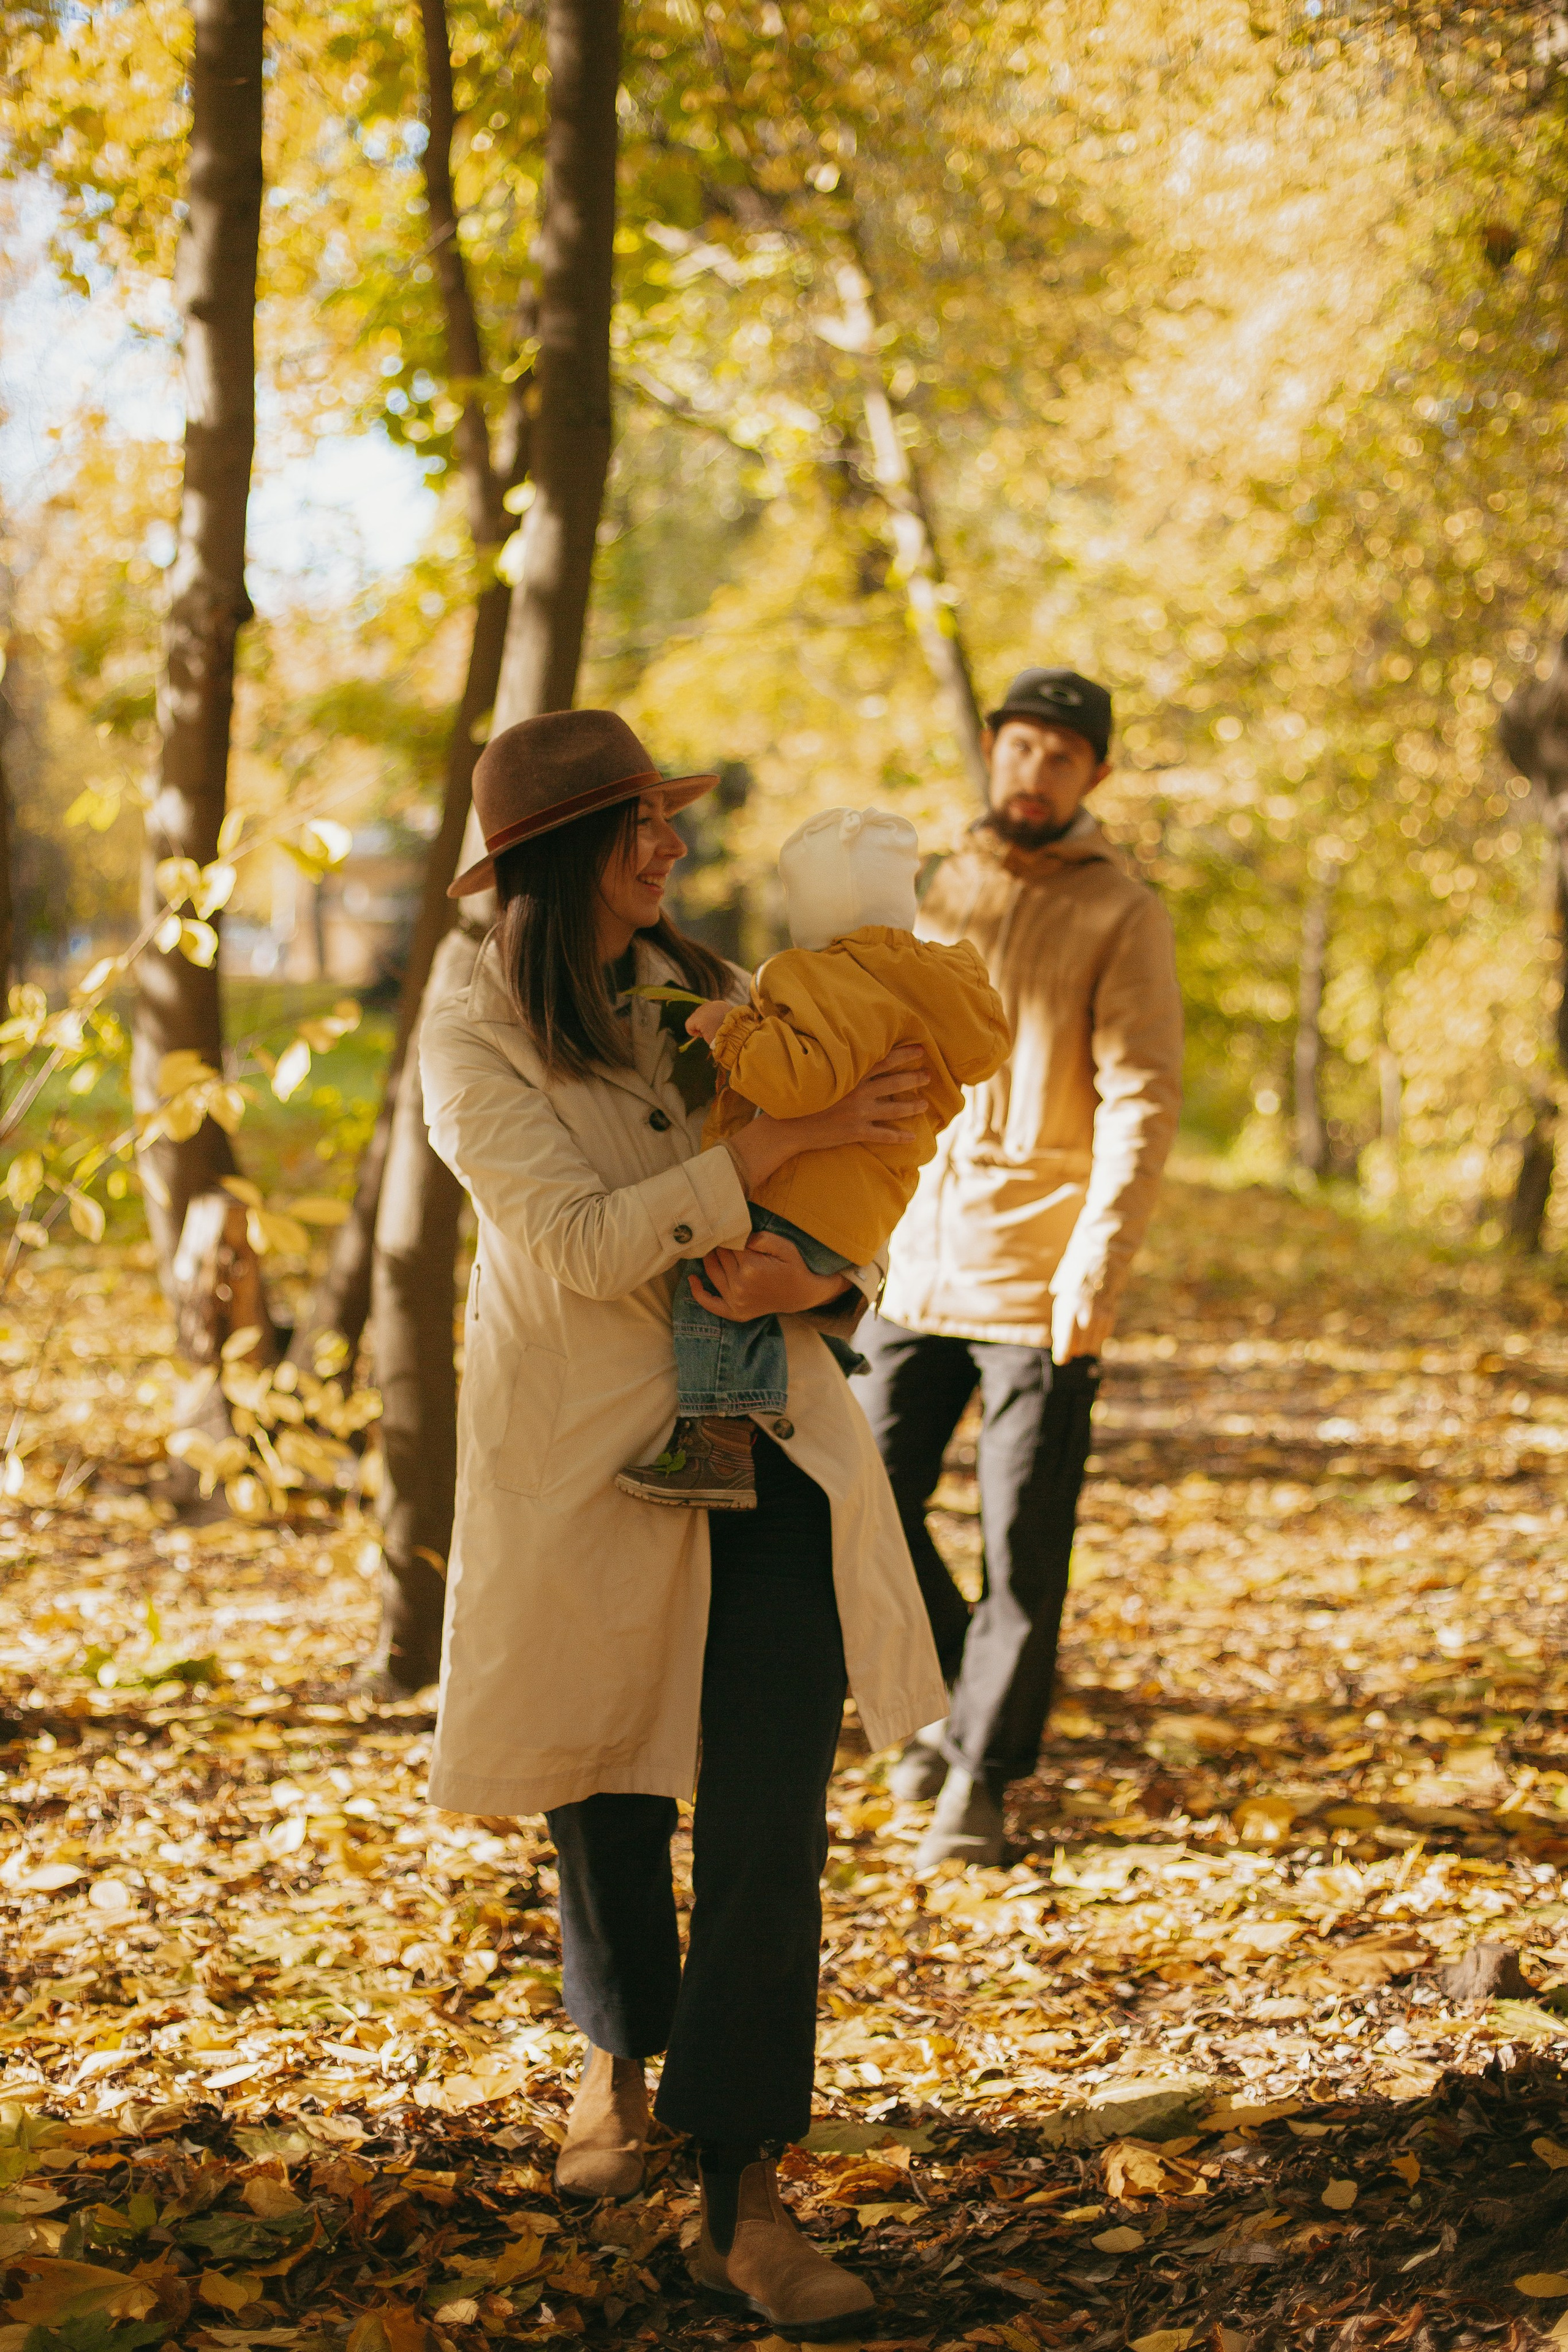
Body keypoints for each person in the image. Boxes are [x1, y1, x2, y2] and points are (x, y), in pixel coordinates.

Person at [418, 708, 947, 2335]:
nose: (672, 845)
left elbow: (868, 1170)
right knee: (608, 1776)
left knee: (771, 1810)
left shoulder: (722, 994)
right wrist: (775, 1147)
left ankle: (741, 2195)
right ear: (559, 856)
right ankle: (613, 2042)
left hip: (763, 1430)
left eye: (669, 816)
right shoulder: (470, 1024)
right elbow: (580, 1242)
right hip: (585, 1446)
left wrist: (832, 1266)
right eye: (641, 823)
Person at [851, 668, 1183, 1871]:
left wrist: (1099, 1257)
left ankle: (978, 1778)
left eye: (1060, 756)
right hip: (913, 1267)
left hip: (1039, 1277)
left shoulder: (1121, 914)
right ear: (990, 752)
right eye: (1018, 748)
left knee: (1019, 1544)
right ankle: (940, 1703)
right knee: (861, 1499)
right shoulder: (940, 889)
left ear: (1091, 776)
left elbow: (1141, 1099)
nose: (1032, 772)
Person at [616, 804, 1009, 1509]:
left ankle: (714, 1448)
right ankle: (833, 1355)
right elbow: (982, 1054)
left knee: (710, 1296)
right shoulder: (940, 981)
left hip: (800, 1194)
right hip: (867, 1214)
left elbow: (797, 1084)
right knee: (761, 1307)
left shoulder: (820, 976)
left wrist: (728, 1031)